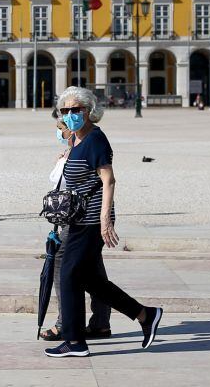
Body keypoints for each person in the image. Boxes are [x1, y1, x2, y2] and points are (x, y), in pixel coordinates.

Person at [46, 86, 163, 358]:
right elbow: (67, 142)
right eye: (66, 110)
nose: (70, 114)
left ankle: (74, 341)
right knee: (90, 280)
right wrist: (65, 152)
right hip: (77, 218)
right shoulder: (77, 139)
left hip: (90, 220)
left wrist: (105, 220)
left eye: (76, 109)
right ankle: (146, 315)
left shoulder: (95, 139)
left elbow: (108, 180)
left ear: (89, 111)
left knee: (68, 275)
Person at [42, 110, 111, 342]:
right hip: (82, 217)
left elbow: (107, 180)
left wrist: (105, 219)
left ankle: (66, 325)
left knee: (61, 263)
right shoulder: (79, 144)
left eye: (60, 129)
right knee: (93, 269)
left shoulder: (90, 141)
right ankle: (101, 323)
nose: (59, 133)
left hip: (83, 217)